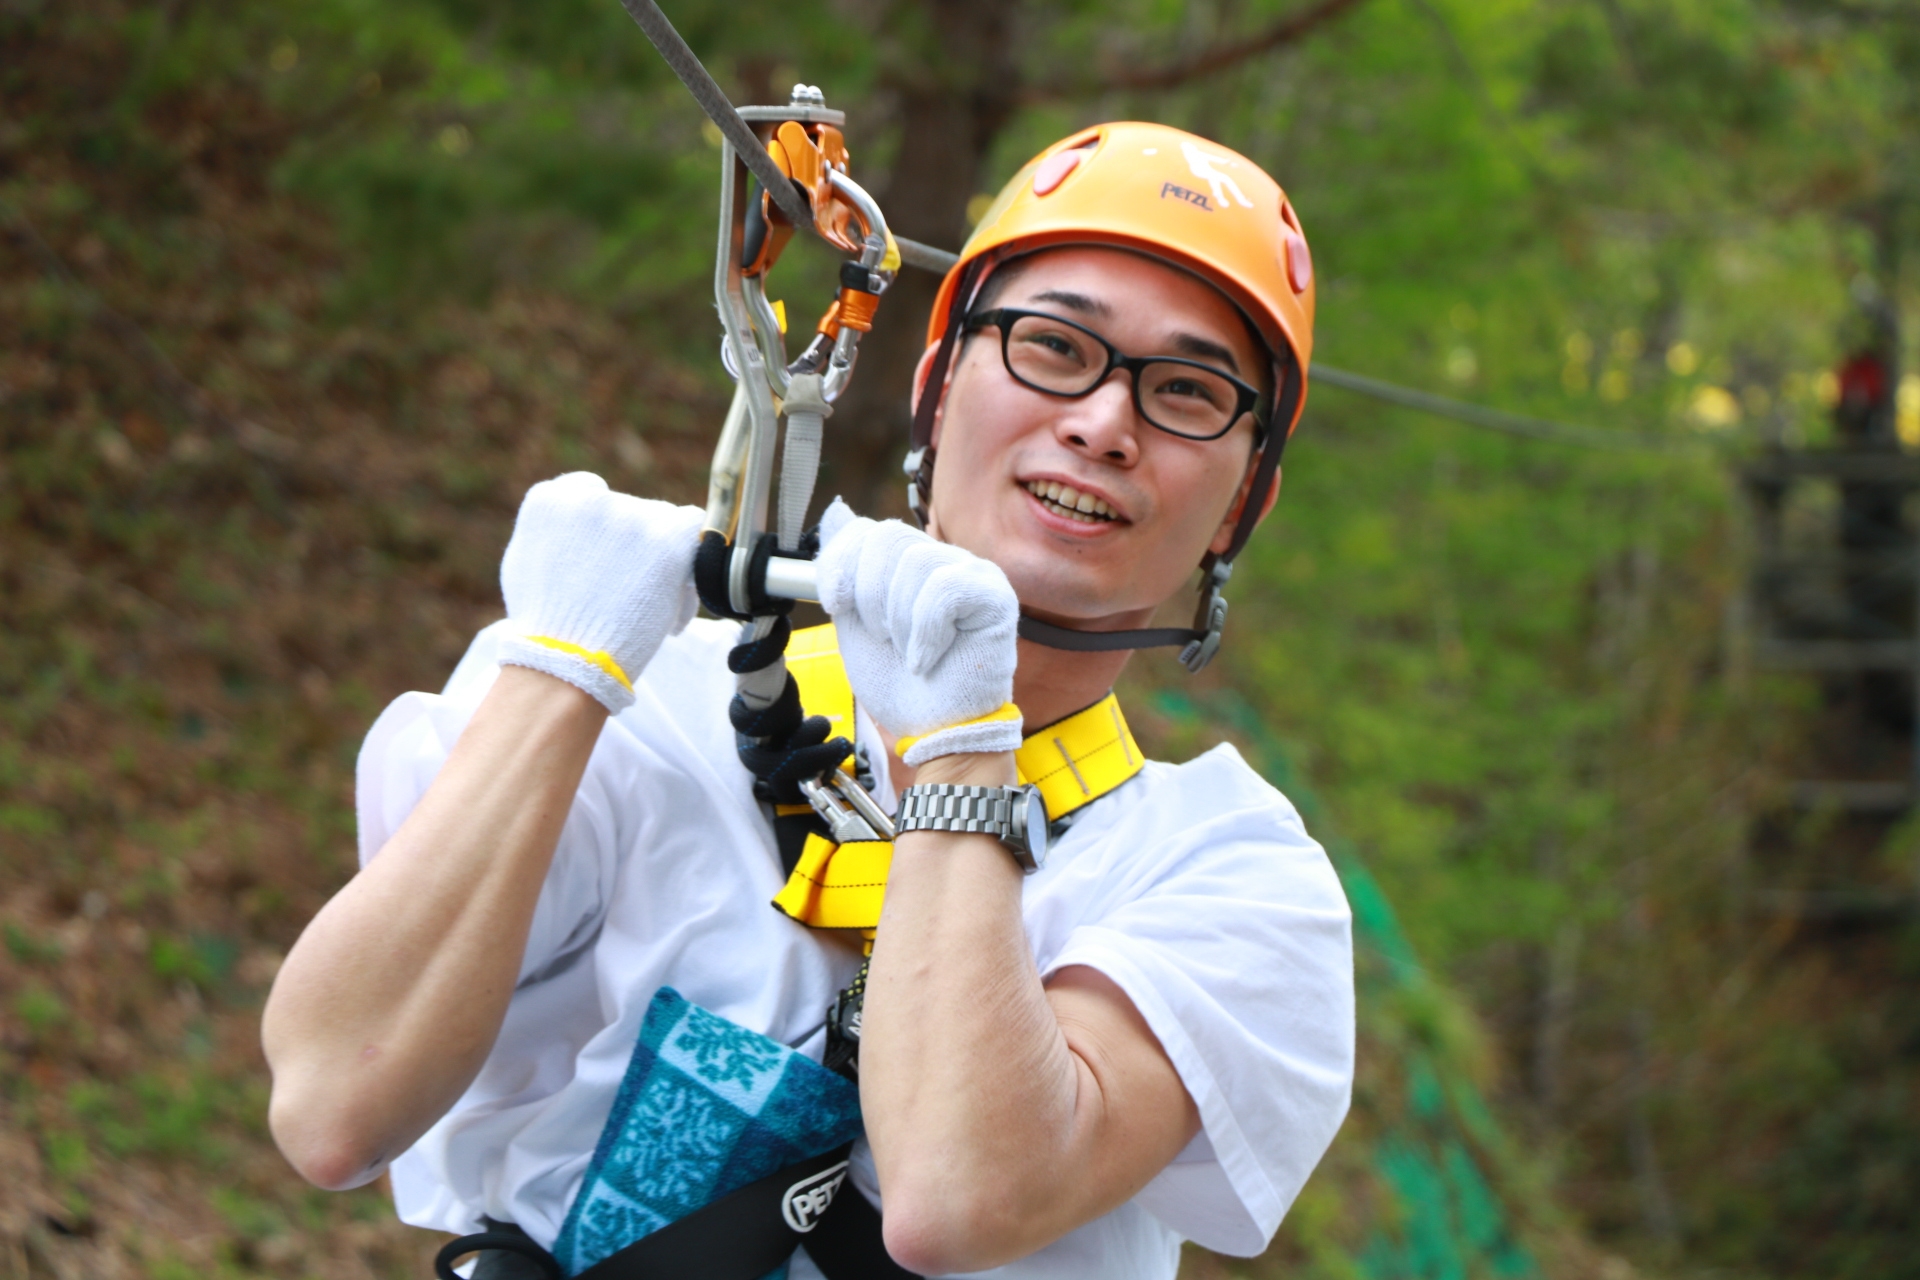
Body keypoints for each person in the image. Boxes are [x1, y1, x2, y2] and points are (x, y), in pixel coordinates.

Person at [261, 121, 1354, 1280]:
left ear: (1244, 505)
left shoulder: (1226, 876)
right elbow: (336, 1104)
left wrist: (959, 752)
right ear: (936, 389)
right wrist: (558, 673)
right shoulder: (650, 705)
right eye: (1052, 346)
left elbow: (959, 1195)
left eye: (1188, 391)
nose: (1102, 423)